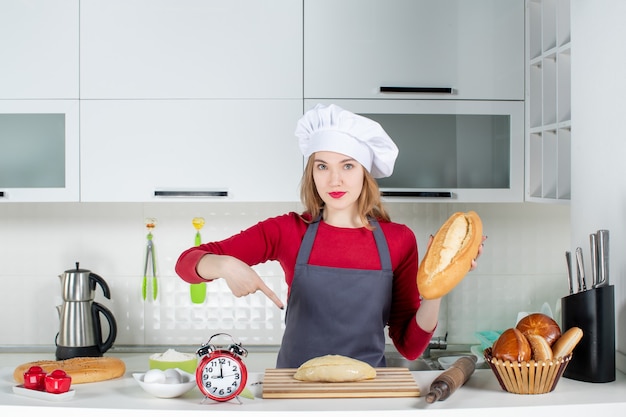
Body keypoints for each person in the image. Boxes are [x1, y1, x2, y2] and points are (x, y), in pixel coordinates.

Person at [175, 103, 483, 368]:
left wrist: (437, 290)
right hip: (295, 391)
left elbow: (410, 347)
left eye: (347, 166)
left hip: (366, 395)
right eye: (323, 166)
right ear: (312, 172)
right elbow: (187, 263)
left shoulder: (398, 240)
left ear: (365, 172)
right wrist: (224, 265)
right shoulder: (287, 231)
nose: (334, 179)